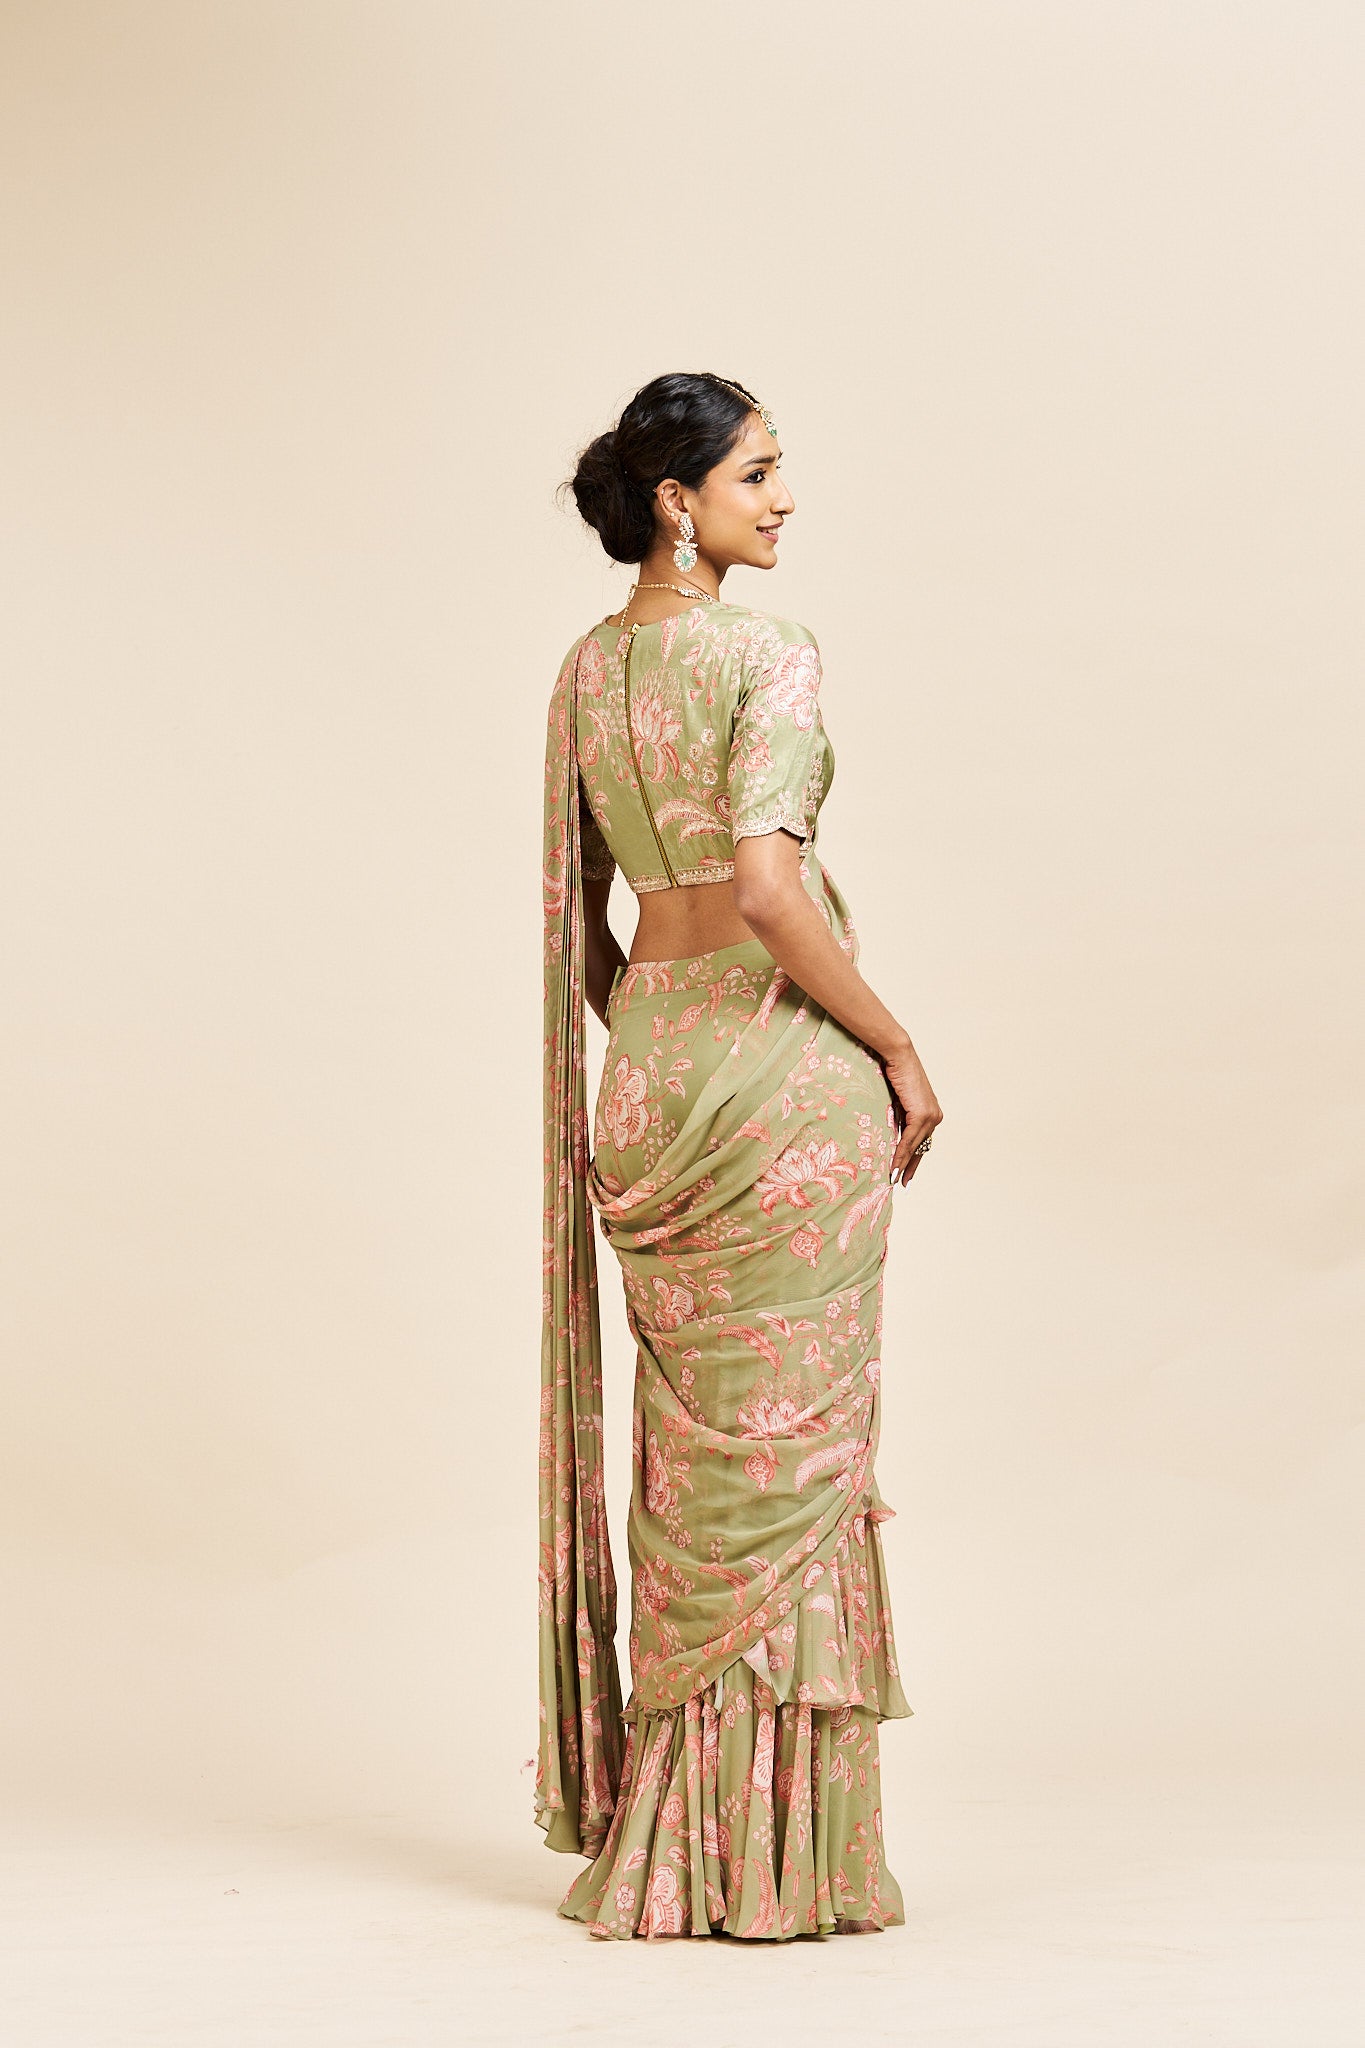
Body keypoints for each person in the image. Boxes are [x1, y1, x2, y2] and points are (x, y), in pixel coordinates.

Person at [538, 371, 942, 1941]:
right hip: (776, 1083)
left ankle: (677, 1845)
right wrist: (892, 1046)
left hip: (650, 1072)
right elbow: (768, 892)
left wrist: (663, 1039)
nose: (781, 500)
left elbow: (586, 929)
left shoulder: (585, 672)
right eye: (756, 474)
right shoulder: (765, 652)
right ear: (676, 500)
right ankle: (779, 1862)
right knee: (787, 1464)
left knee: (696, 1462)